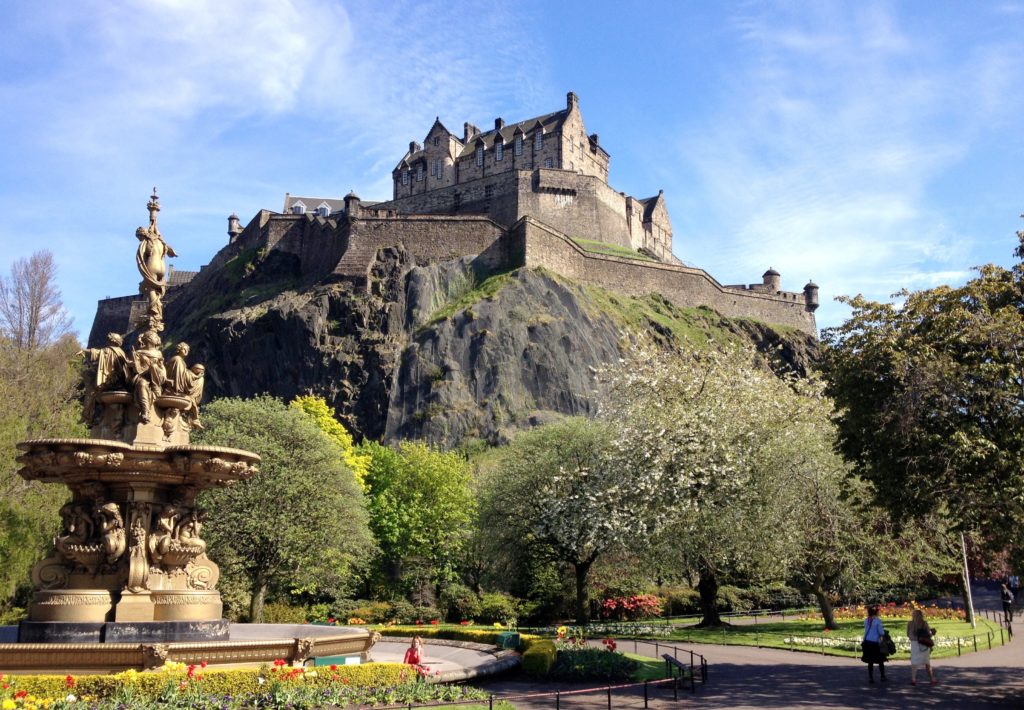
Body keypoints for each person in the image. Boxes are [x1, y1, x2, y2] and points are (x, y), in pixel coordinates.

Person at [906, 609, 936, 685]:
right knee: (927, 662)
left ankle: (913, 679)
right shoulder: (924, 623)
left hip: (914, 644)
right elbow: (929, 634)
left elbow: (908, 635)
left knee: (914, 662)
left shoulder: (910, 623)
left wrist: (915, 638)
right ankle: (932, 679)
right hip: (924, 643)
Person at [861, 605, 887, 683]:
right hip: (876, 642)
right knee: (880, 660)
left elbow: (866, 631)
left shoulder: (866, 620)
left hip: (868, 642)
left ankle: (871, 677)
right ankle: (882, 676)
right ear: (876, 612)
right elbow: (881, 632)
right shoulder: (877, 620)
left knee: (870, 661)